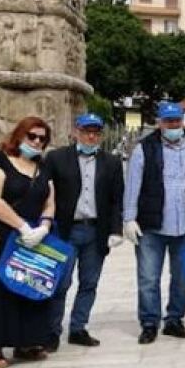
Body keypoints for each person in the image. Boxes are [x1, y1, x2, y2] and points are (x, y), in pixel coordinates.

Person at [123, 101, 185, 344]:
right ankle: (149, 322)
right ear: (160, 123)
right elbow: (133, 185)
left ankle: (174, 319)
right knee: (148, 278)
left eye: (177, 121)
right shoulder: (145, 148)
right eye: (168, 122)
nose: (173, 125)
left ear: (183, 121)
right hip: (152, 224)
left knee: (183, 276)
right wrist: (129, 218)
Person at [0, 117, 56, 368]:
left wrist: (44, 226)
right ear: (19, 136)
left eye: (42, 138)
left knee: (29, 285)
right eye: (32, 136)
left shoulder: (42, 166)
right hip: (2, 234)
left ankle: (26, 342)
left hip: (33, 237)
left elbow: (50, 201)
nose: (37, 142)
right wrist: (22, 226)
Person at [43, 113, 124, 351]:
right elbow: (45, 192)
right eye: (86, 131)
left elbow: (116, 199)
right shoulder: (57, 159)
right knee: (60, 283)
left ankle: (78, 327)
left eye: (96, 132)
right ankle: (51, 331)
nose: (91, 136)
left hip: (95, 230)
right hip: (66, 230)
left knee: (89, 282)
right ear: (75, 132)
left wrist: (116, 230)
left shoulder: (111, 162)